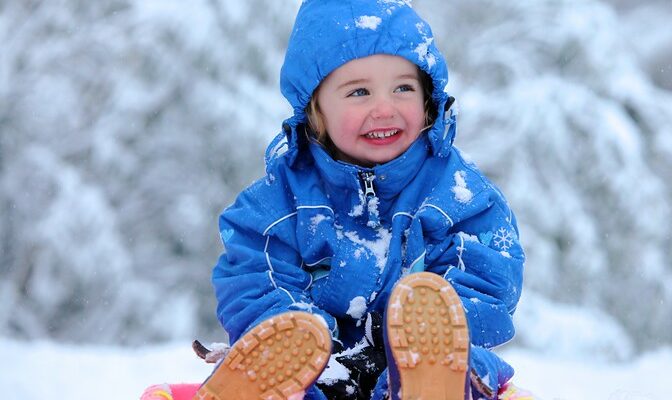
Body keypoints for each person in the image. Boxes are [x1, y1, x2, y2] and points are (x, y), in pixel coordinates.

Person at [142, 0, 532, 399]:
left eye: (403, 88)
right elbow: (256, 276)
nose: (385, 107)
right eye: (359, 92)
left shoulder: (456, 195)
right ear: (316, 109)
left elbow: (484, 274)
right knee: (275, 367)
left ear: (428, 98)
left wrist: (418, 333)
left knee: (466, 370)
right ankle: (266, 383)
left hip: (424, 364)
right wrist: (304, 341)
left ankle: (428, 385)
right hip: (316, 372)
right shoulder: (281, 203)